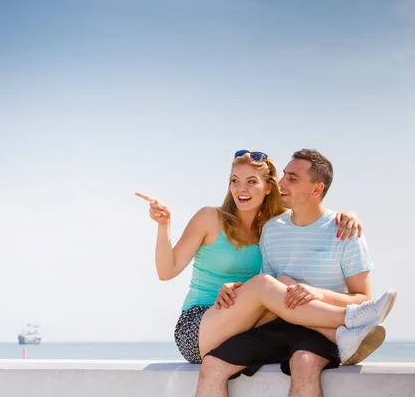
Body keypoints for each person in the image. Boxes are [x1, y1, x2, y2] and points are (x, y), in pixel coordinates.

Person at [135, 149, 396, 396]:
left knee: (279, 282)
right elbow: (166, 271)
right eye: (235, 181)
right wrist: (164, 225)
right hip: (200, 323)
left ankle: (343, 329)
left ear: (268, 187)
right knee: (266, 284)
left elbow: (312, 215)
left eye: (251, 181)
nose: (241, 188)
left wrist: (349, 214)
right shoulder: (211, 218)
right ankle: (348, 320)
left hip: (250, 318)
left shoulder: (272, 226)